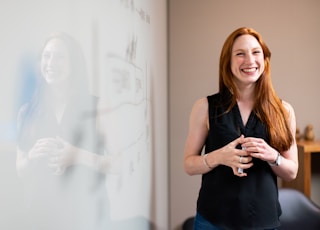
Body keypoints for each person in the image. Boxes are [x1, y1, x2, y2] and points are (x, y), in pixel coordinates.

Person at [183, 27, 298, 230]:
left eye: (256, 52)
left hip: (264, 222)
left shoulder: (284, 111)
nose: (249, 60)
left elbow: (292, 172)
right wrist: (218, 157)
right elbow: (189, 164)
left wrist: (273, 156)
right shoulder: (205, 107)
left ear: (265, 59)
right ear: (227, 61)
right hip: (212, 221)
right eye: (240, 54)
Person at [16, 32, 118, 230]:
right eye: (47, 56)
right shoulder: (27, 112)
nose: (51, 63)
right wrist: (31, 155)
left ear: (74, 64)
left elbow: (120, 163)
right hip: (42, 214)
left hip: (88, 213)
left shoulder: (98, 107)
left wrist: (78, 155)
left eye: (60, 57)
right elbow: (20, 169)